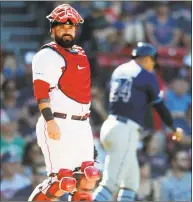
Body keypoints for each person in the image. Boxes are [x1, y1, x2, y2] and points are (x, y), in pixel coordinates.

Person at [93, 42, 183, 201]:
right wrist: (174, 128)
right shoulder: (146, 75)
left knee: (130, 183)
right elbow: (159, 106)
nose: (153, 65)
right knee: (110, 184)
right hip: (125, 130)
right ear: (148, 59)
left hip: (111, 126)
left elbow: (109, 98)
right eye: (152, 62)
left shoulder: (119, 70)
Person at [28, 4, 100, 201]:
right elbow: (41, 92)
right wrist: (50, 121)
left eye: (70, 27)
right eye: (61, 27)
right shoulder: (46, 55)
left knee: (88, 176)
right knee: (62, 181)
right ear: (52, 30)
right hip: (57, 122)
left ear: (75, 29)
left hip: (82, 123)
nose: (66, 30)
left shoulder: (81, 53)